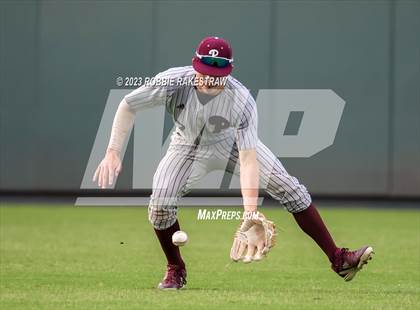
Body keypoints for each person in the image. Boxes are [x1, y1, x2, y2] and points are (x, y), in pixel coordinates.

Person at [93, 36, 373, 290]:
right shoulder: (172, 82)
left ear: (228, 72)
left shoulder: (241, 99)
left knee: (291, 189)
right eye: (205, 73)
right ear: (195, 66)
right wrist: (113, 151)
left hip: (232, 146)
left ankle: (338, 259)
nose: (211, 81)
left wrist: (250, 213)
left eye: (218, 75)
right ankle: (175, 269)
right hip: (186, 146)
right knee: (160, 205)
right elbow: (128, 105)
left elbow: (249, 159)